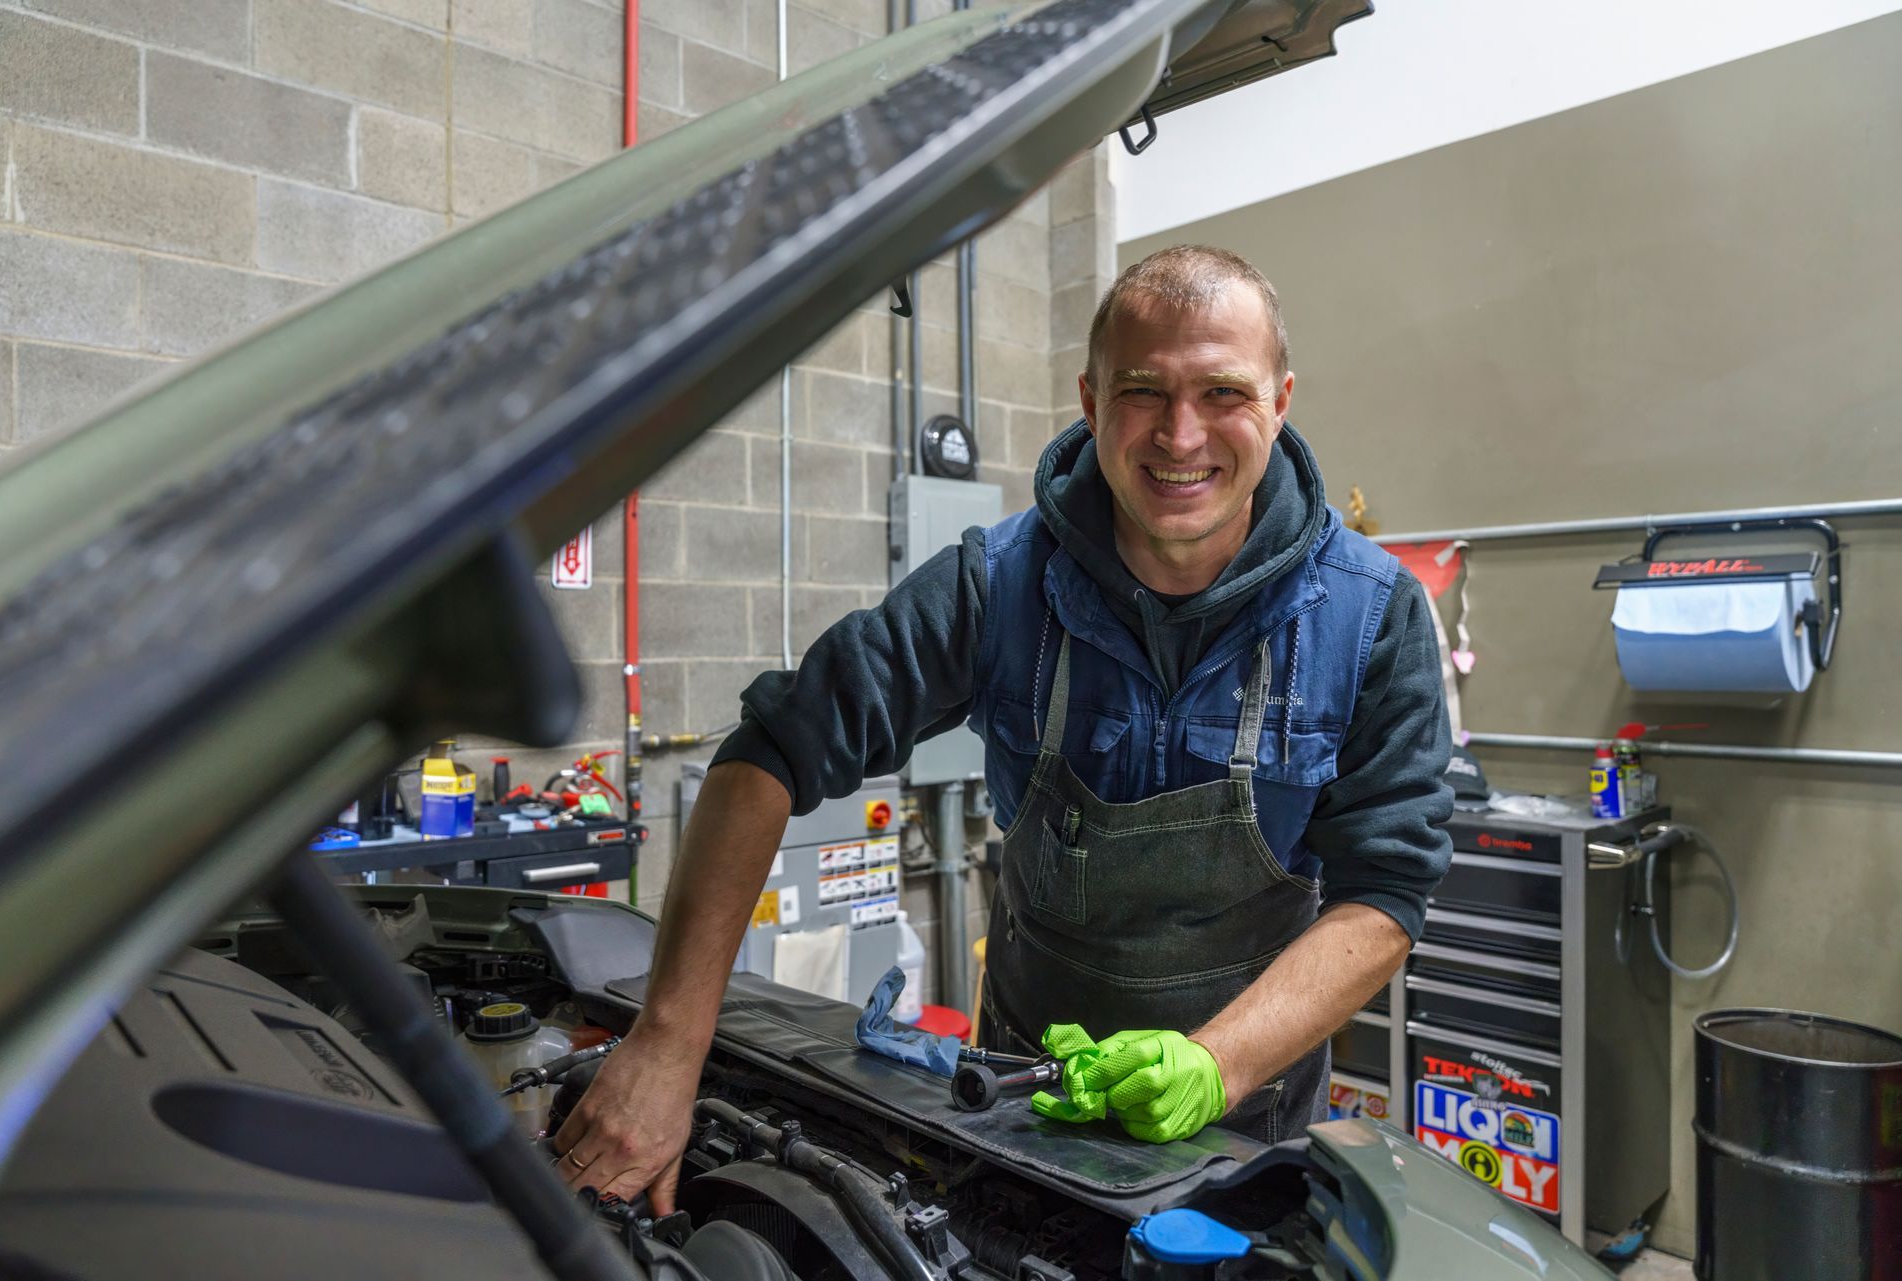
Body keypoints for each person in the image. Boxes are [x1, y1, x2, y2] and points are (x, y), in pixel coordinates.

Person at [552, 244, 1452, 1207]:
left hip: (1249, 1131)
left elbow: (1384, 893)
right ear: (1091, 402)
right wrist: (667, 1042)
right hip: (1020, 1115)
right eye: (1142, 391)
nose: (1181, 434)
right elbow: (768, 753)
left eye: (1223, 392)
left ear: (1279, 402)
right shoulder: (999, 586)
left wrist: (1214, 1063)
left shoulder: (1369, 614)